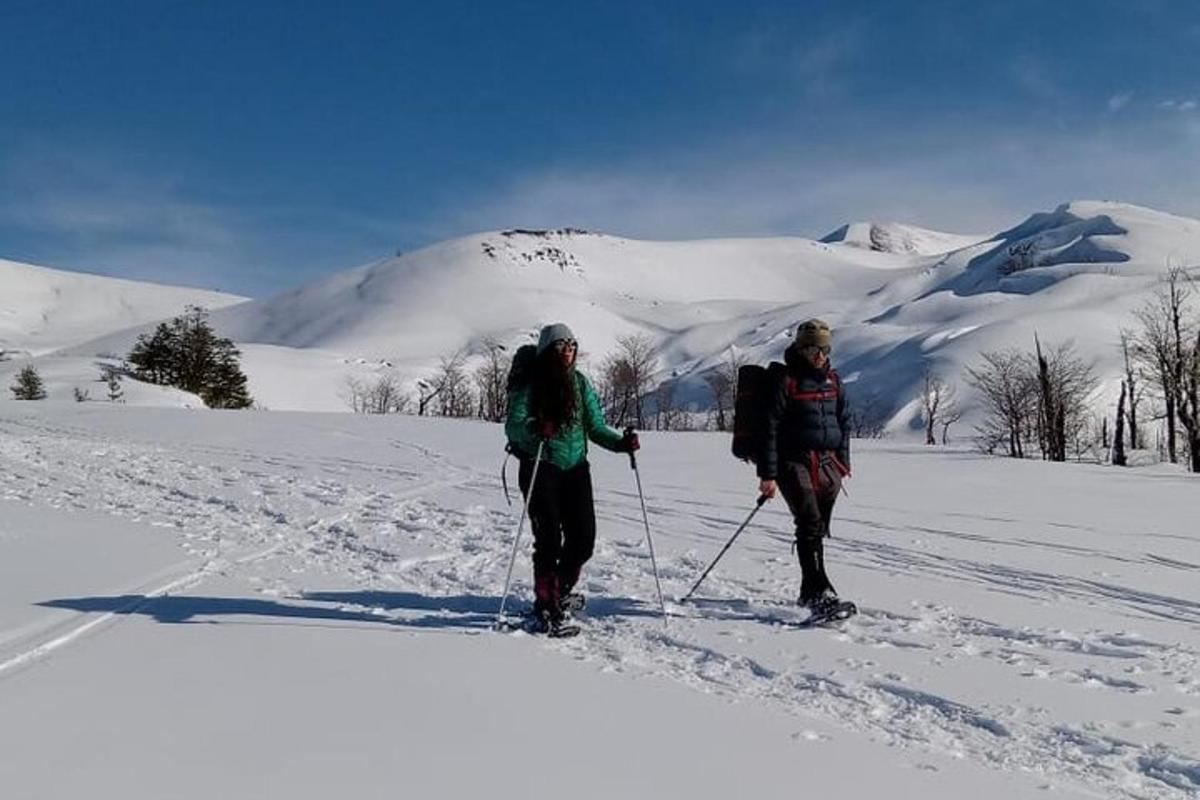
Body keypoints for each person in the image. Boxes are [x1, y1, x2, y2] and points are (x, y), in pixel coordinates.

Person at [505, 323, 640, 633]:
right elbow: (513, 426)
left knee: (583, 540)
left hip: (576, 468)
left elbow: (595, 427)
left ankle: (559, 590)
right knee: (549, 539)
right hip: (540, 464)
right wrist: (535, 429)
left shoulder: (579, 383)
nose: (567, 352)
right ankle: (546, 602)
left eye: (571, 346)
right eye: (560, 347)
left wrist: (621, 443)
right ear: (547, 350)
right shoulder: (530, 384)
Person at [756, 319, 852, 616]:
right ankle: (819, 592)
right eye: (813, 348)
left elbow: (844, 422)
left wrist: (843, 463)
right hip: (792, 461)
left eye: (824, 348)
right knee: (809, 523)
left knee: (817, 527)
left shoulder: (833, 381)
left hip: (827, 464)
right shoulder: (786, 382)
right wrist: (767, 475)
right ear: (800, 348)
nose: (819, 354)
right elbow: (768, 428)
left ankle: (810, 590)